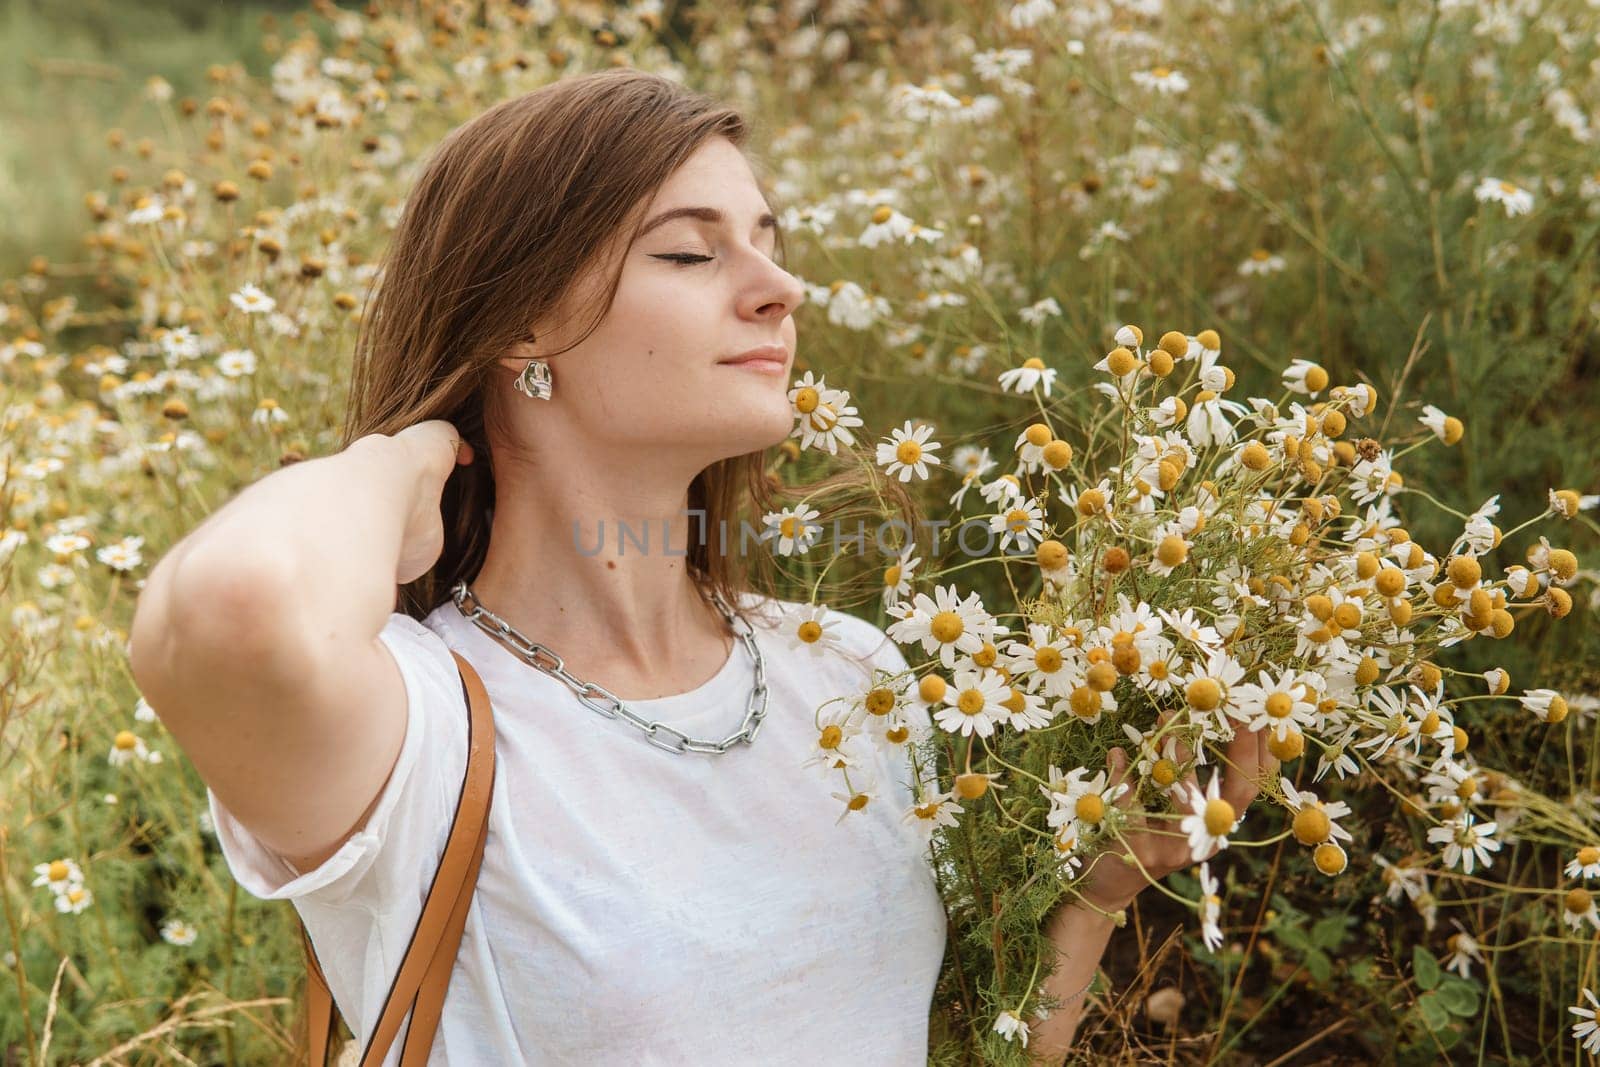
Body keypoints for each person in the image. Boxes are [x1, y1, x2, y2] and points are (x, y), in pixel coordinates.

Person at [128, 69, 1272, 1065]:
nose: (782, 289)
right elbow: (232, 608)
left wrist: (1093, 898)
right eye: (688, 250)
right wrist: (405, 458)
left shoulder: (850, 677)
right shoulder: (418, 727)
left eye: (769, 242)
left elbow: (977, 1044)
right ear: (522, 323)